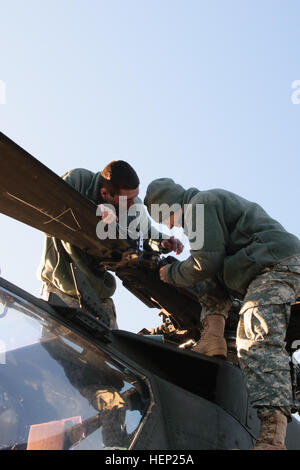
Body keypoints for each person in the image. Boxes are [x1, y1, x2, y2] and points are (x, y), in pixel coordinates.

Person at [144, 177, 300, 450]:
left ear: (170, 205)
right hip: (268, 268)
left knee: (255, 339)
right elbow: (212, 276)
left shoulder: (199, 205)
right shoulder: (205, 209)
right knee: (210, 281)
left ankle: (273, 438)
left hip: (277, 266)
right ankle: (213, 337)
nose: (170, 226)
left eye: (165, 217)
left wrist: (171, 273)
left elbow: (206, 262)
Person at [38, 162, 183, 329]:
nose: (133, 204)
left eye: (135, 197)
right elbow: (46, 216)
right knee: (58, 353)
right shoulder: (78, 181)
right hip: (61, 291)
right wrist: (90, 215)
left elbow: (147, 233)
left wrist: (163, 241)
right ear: (105, 193)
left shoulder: (133, 208)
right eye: (127, 199)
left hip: (99, 300)